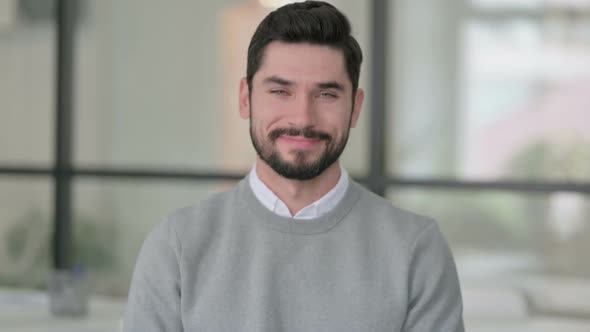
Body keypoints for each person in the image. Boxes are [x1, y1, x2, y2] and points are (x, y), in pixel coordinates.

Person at [123, 1, 465, 331]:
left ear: (355, 107)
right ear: (246, 99)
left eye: (326, 95)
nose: (303, 118)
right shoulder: (177, 245)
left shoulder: (416, 248)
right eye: (280, 92)